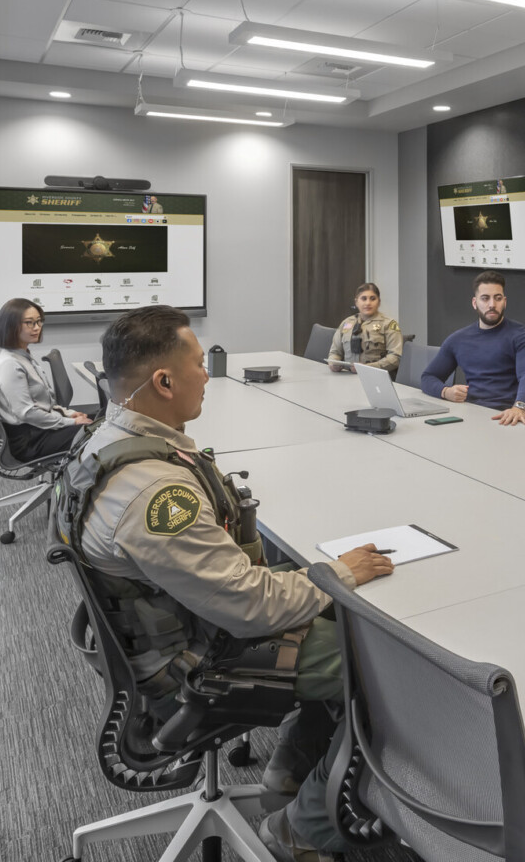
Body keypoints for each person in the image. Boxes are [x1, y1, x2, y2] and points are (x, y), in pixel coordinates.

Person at [69, 305, 394, 862]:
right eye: (199, 364)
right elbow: (253, 608)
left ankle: (286, 777)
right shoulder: (153, 492)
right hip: (197, 660)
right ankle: (303, 825)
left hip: (167, 626)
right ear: (163, 381)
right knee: (383, 667)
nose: (207, 375)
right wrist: (337, 573)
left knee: (339, 614)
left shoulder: (104, 442)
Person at [421, 271, 525, 427]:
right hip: (471, 413)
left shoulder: (523, 336)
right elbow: (428, 377)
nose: (492, 304)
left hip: (507, 416)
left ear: (504, 302)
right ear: (474, 303)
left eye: (497, 298)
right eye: (485, 298)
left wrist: (519, 407)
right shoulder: (458, 339)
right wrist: (446, 392)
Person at [0, 298, 90, 460]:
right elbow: (27, 413)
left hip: (39, 428)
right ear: (11, 326)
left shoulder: (22, 355)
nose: (37, 328)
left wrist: (68, 414)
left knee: (101, 418)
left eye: (39, 322)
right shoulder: (10, 364)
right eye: (29, 323)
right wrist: (70, 423)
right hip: (30, 440)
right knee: (98, 432)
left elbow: (44, 403)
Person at [326, 281, 403, 376]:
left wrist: (368, 368)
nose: (368, 303)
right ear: (356, 302)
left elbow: (396, 357)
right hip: (347, 377)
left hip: (376, 378)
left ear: (379, 302)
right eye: (363, 299)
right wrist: (333, 362)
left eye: (373, 299)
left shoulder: (388, 324)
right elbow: (335, 352)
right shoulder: (347, 323)